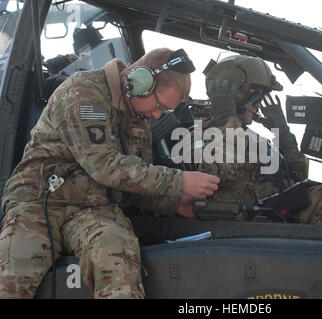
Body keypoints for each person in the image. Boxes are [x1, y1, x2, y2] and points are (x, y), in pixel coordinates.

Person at [0, 48, 220, 298]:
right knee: (11, 281)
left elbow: (135, 182)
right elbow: (104, 164)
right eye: (159, 105)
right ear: (139, 81)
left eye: (164, 111)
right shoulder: (85, 91)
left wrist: (174, 204)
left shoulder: (139, 115)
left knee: (117, 256)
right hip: (38, 202)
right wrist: (179, 181)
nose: (158, 115)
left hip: (93, 209)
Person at [187, 55, 322, 224]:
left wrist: (284, 135)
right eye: (255, 97)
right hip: (241, 232)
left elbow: (297, 178)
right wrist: (227, 117)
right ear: (233, 94)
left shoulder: (251, 139)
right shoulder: (198, 135)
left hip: (279, 223)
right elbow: (220, 173)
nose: (258, 105)